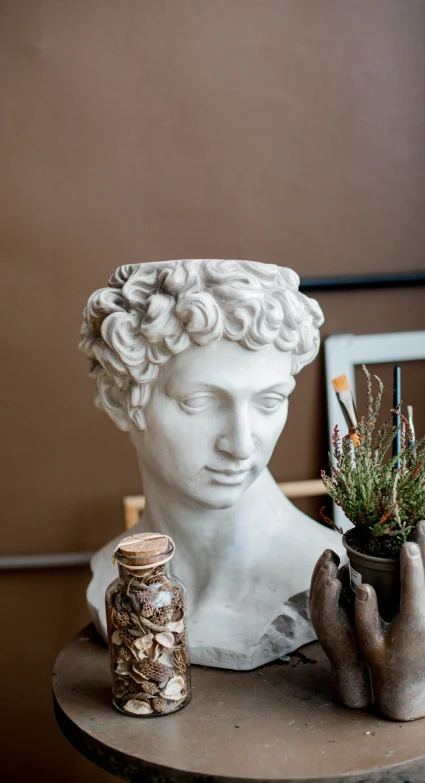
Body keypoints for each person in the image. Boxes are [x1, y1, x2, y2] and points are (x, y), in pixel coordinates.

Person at [80, 259, 342, 669]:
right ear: (119, 399)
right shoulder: (114, 578)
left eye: (269, 401)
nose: (240, 446)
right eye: (199, 402)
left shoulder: (327, 573)